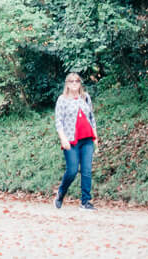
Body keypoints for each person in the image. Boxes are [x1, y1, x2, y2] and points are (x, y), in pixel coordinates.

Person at [54, 72, 100, 210]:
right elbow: (58, 121)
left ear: (80, 83)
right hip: (71, 140)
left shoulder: (85, 97)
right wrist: (63, 139)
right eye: (71, 81)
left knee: (87, 170)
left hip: (87, 139)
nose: (74, 83)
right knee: (72, 170)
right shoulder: (62, 99)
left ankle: (85, 202)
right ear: (67, 84)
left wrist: (95, 137)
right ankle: (61, 193)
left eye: (77, 81)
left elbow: (91, 118)